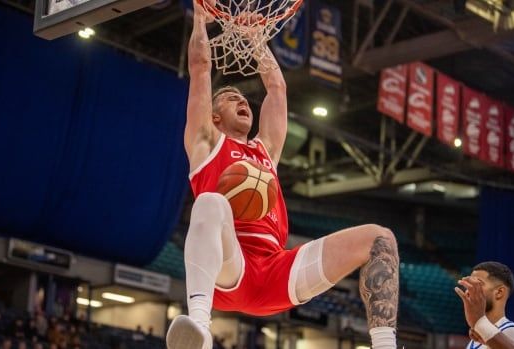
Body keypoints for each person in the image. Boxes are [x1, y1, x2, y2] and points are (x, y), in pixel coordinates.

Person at [165, 1, 400, 348]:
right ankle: (200, 326)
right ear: (214, 117)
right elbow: (200, 68)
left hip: (276, 270)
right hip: (232, 268)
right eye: (231, 98)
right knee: (211, 202)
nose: (242, 100)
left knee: (381, 239)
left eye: (244, 97)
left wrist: (257, 40)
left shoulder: (266, 152)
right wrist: (200, 18)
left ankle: (385, 345)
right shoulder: (204, 144)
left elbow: (277, 89)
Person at [455, 262, 514, 349]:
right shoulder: (475, 338)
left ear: (499, 292)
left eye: (478, 284)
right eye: (470, 284)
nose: (469, 290)